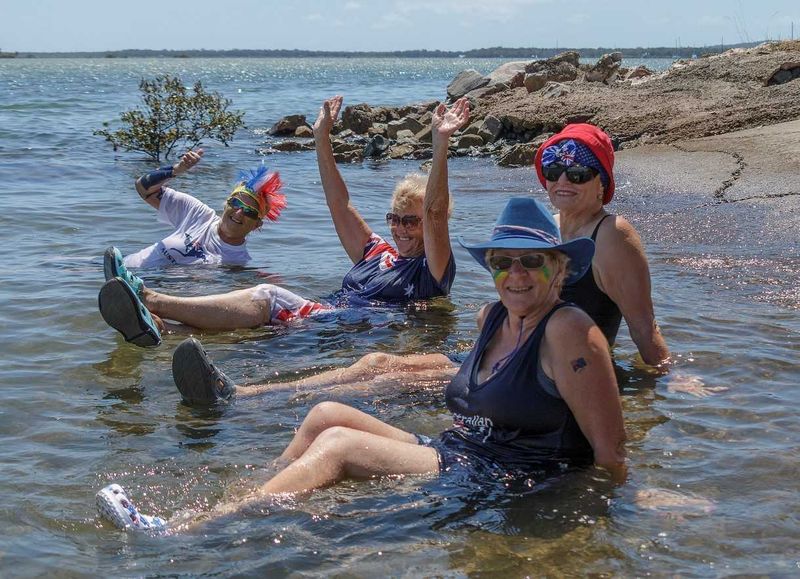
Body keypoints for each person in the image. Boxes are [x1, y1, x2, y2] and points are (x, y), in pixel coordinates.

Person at [96, 197, 626, 532]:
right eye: (502, 261)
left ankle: (184, 528)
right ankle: (251, 500)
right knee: (327, 412)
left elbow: (608, 452)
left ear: (559, 269)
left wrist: (607, 513)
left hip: (503, 475)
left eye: (532, 261)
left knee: (340, 445)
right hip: (460, 449)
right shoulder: (494, 317)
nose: (516, 273)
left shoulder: (570, 331)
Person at [97, 97, 469, 347]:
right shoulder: (376, 254)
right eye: (395, 219)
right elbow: (338, 204)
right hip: (326, 319)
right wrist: (321, 138)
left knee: (268, 295)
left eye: (411, 222)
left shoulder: (431, 269)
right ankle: (156, 329)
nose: (401, 228)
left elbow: (436, 211)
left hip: (346, 326)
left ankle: (147, 297)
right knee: (221, 329)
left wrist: (440, 146)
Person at [533, 124, 670, 366]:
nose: (562, 181)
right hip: (527, 362)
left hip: (575, 376)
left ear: (602, 184)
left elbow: (643, 326)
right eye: (553, 171)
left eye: (578, 174)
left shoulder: (612, 235)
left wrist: (668, 380)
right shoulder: (544, 227)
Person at [112, 148, 285, 270]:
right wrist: (176, 170)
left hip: (148, 294)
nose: (239, 212)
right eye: (236, 203)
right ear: (226, 204)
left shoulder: (237, 263)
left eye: (249, 211)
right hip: (121, 267)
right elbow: (142, 188)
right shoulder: (197, 213)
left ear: (257, 224)